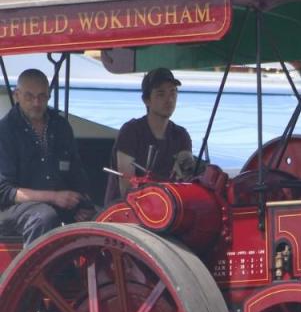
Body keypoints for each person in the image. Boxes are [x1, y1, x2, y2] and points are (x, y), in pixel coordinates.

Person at [0, 69, 94, 244]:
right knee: (43, 217)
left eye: (42, 96)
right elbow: (5, 191)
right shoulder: (5, 131)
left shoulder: (61, 126)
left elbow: (76, 171)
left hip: (57, 206)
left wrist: (82, 202)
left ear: (49, 96)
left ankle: (79, 271)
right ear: (17, 95)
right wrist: (54, 197)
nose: (36, 102)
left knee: (100, 216)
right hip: (10, 211)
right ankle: (34, 272)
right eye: (29, 96)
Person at [109, 67, 194, 201]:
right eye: (161, 94)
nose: (169, 99)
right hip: (125, 212)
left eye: (173, 92)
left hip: (167, 210)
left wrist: (188, 169)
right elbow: (127, 188)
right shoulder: (131, 131)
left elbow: (187, 172)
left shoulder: (181, 135)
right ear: (146, 100)